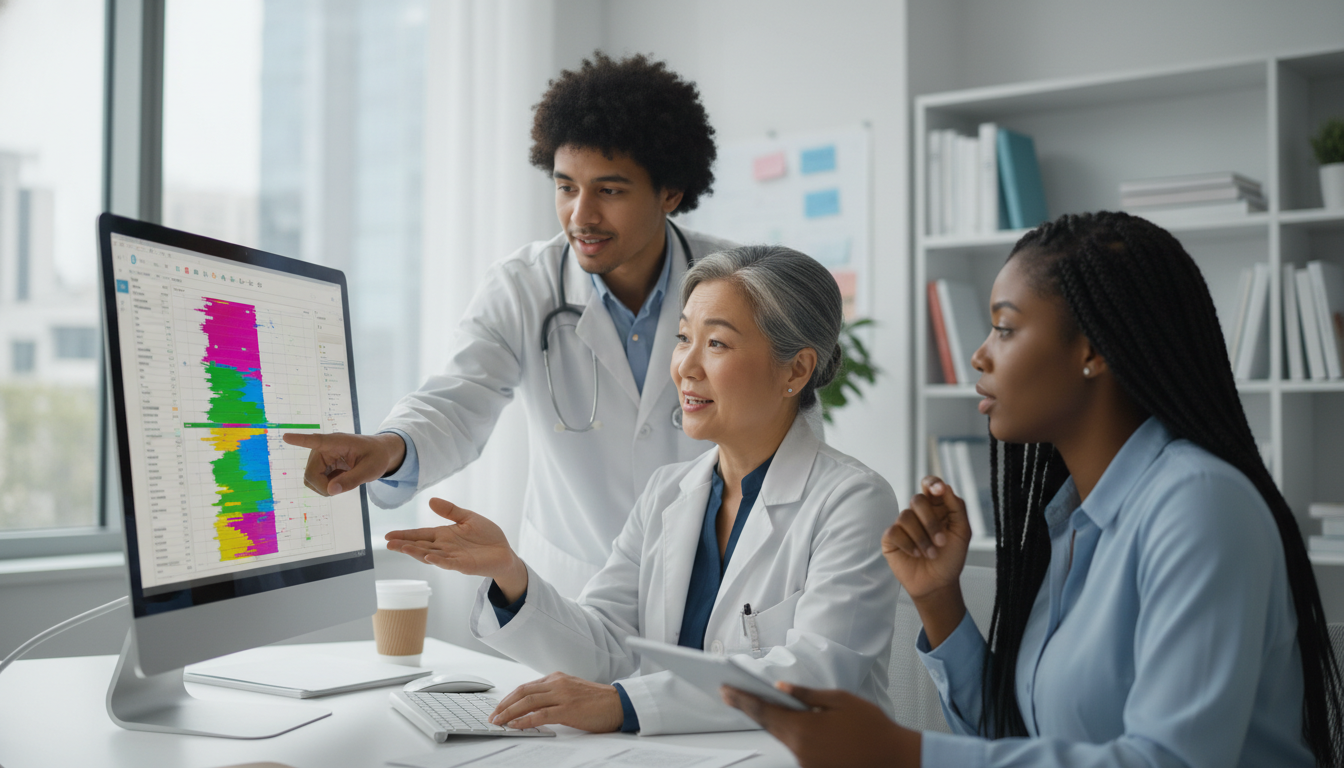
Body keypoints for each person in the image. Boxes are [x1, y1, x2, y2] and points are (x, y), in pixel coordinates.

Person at [721, 211, 1344, 767]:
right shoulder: (1076, 520)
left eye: (1005, 328)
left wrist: (903, 752)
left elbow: (1167, 761)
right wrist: (940, 605)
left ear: (1092, 350)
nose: (979, 357)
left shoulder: (1201, 504)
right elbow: (1018, 742)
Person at [385, 245, 899, 735]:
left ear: (797, 369)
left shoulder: (853, 502)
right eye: (682, 338)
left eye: (716, 343)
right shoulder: (668, 493)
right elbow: (610, 647)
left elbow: (815, 676)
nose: (685, 367)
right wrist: (509, 574)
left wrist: (625, 705)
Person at [282, 53, 735, 598]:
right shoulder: (523, 287)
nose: (581, 215)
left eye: (609, 191)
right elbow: (457, 400)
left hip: (714, 590)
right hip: (576, 595)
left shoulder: (741, 286)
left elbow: (784, 441)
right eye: (567, 187)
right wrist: (388, 448)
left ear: (670, 193)